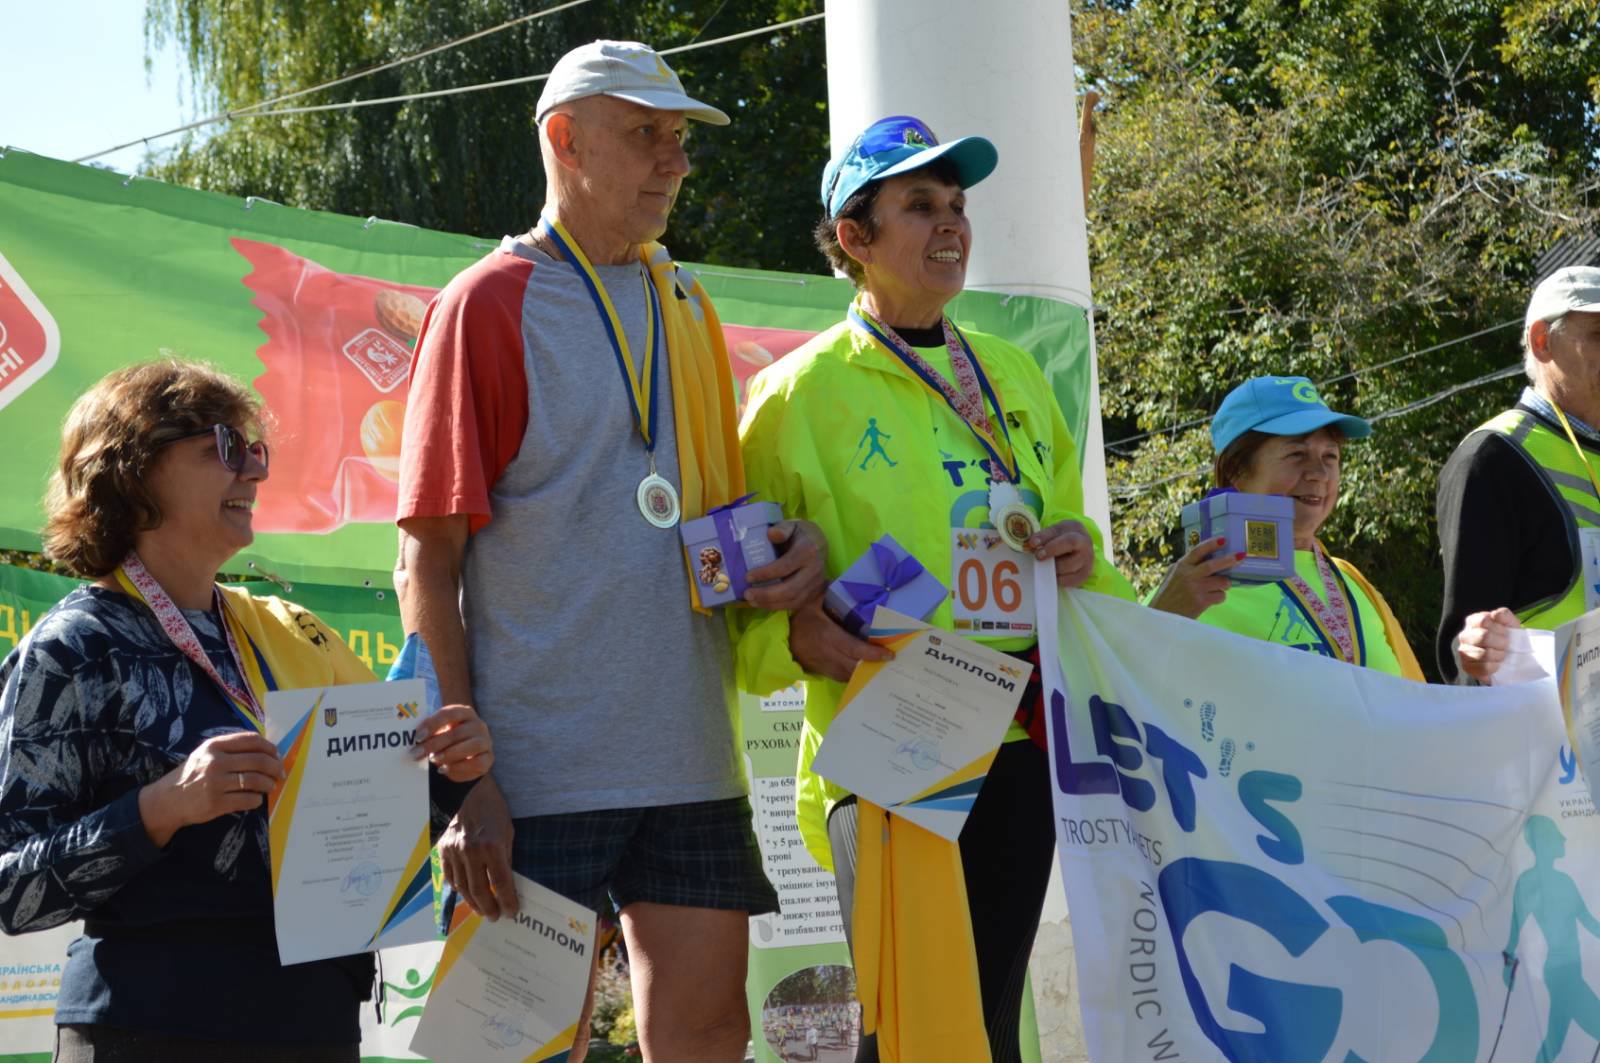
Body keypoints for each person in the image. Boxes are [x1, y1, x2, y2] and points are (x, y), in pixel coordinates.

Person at [394, 40, 826, 1063]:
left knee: (711, 1036)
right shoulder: (487, 302)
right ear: (566, 140)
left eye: (679, 138)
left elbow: (711, 514)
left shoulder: (686, 301)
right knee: (514, 1051)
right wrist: (468, 782)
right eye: (645, 134)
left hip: (690, 757)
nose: (675, 160)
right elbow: (426, 561)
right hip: (532, 776)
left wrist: (792, 542)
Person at [735, 114, 1135, 1062]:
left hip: (1020, 738)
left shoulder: (1015, 373)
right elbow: (739, 603)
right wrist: (795, 636)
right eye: (920, 205)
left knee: (988, 1026)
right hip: (890, 744)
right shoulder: (793, 395)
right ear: (855, 238)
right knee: (910, 1031)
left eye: (956, 203)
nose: (952, 222)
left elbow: (1079, 554)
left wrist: (1080, 553)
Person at [0, 360, 492, 1063]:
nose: (255, 472)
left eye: (256, 451)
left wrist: (445, 777)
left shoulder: (282, 631)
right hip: (154, 1029)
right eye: (225, 448)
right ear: (133, 472)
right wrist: (160, 808)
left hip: (312, 1023)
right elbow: (13, 889)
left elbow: (357, 842)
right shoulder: (75, 647)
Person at [1150, 376, 1423, 678]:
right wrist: (1159, 620)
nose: (1319, 473)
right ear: (1234, 471)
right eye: (1297, 454)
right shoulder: (1187, 592)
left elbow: (1414, 700)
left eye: (1330, 456)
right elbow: (1126, 690)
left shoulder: (1355, 583)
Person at [1436, 267, 1600, 682]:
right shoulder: (1492, 457)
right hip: (1541, 721)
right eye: (1598, 335)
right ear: (1541, 341)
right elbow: (1465, 652)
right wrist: (1475, 656)